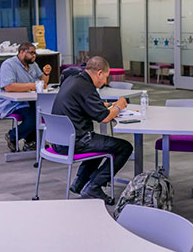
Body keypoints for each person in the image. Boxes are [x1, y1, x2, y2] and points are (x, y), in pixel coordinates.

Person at [50, 56, 133, 204]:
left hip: (58, 140)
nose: (105, 82)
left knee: (101, 143)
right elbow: (105, 118)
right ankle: (94, 186)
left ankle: (79, 183)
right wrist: (119, 105)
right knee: (124, 147)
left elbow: (85, 105)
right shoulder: (86, 87)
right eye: (105, 77)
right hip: (75, 142)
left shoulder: (73, 80)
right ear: (99, 73)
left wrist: (106, 105)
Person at [0, 43, 50, 152]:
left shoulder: (33, 65)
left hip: (27, 99)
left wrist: (46, 74)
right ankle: (12, 135)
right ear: (22, 52)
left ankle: (31, 141)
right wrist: (32, 86)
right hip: (11, 102)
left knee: (41, 113)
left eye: (35, 53)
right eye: (31, 53)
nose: (34, 56)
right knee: (33, 118)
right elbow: (8, 87)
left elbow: (43, 84)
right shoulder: (8, 64)